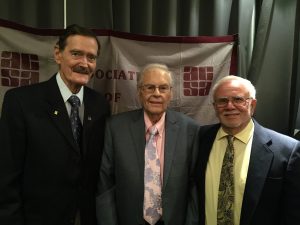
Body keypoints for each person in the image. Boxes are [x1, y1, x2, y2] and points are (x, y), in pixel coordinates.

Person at [0, 24, 110, 225]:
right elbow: (6, 176)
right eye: (76, 54)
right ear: (58, 54)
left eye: (91, 57)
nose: (84, 63)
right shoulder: (21, 101)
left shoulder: (100, 105)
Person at [96, 63, 200, 225]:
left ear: (171, 93)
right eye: (150, 88)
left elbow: (195, 186)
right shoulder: (116, 128)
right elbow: (105, 185)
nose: (156, 94)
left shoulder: (190, 129)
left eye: (163, 88)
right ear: (139, 92)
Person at [196, 75, 300, 225]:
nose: (230, 106)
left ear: (252, 105)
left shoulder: (287, 150)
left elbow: (293, 214)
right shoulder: (199, 139)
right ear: (214, 106)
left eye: (238, 99)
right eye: (222, 101)